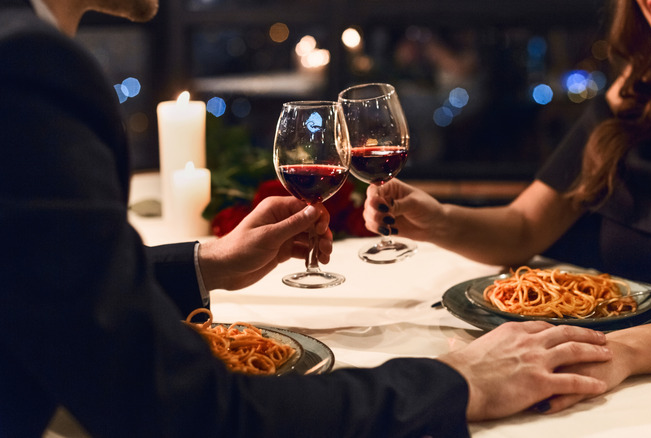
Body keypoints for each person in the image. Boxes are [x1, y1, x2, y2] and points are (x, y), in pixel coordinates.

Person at [0, 0, 615, 436]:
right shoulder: (29, 66)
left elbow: (32, 280)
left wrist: (203, 263)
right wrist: (455, 384)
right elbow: (185, 412)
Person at [365, 0, 651, 414]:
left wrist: (626, 351)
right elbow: (526, 226)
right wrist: (437, 220)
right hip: (608, 395)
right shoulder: (636, 95)